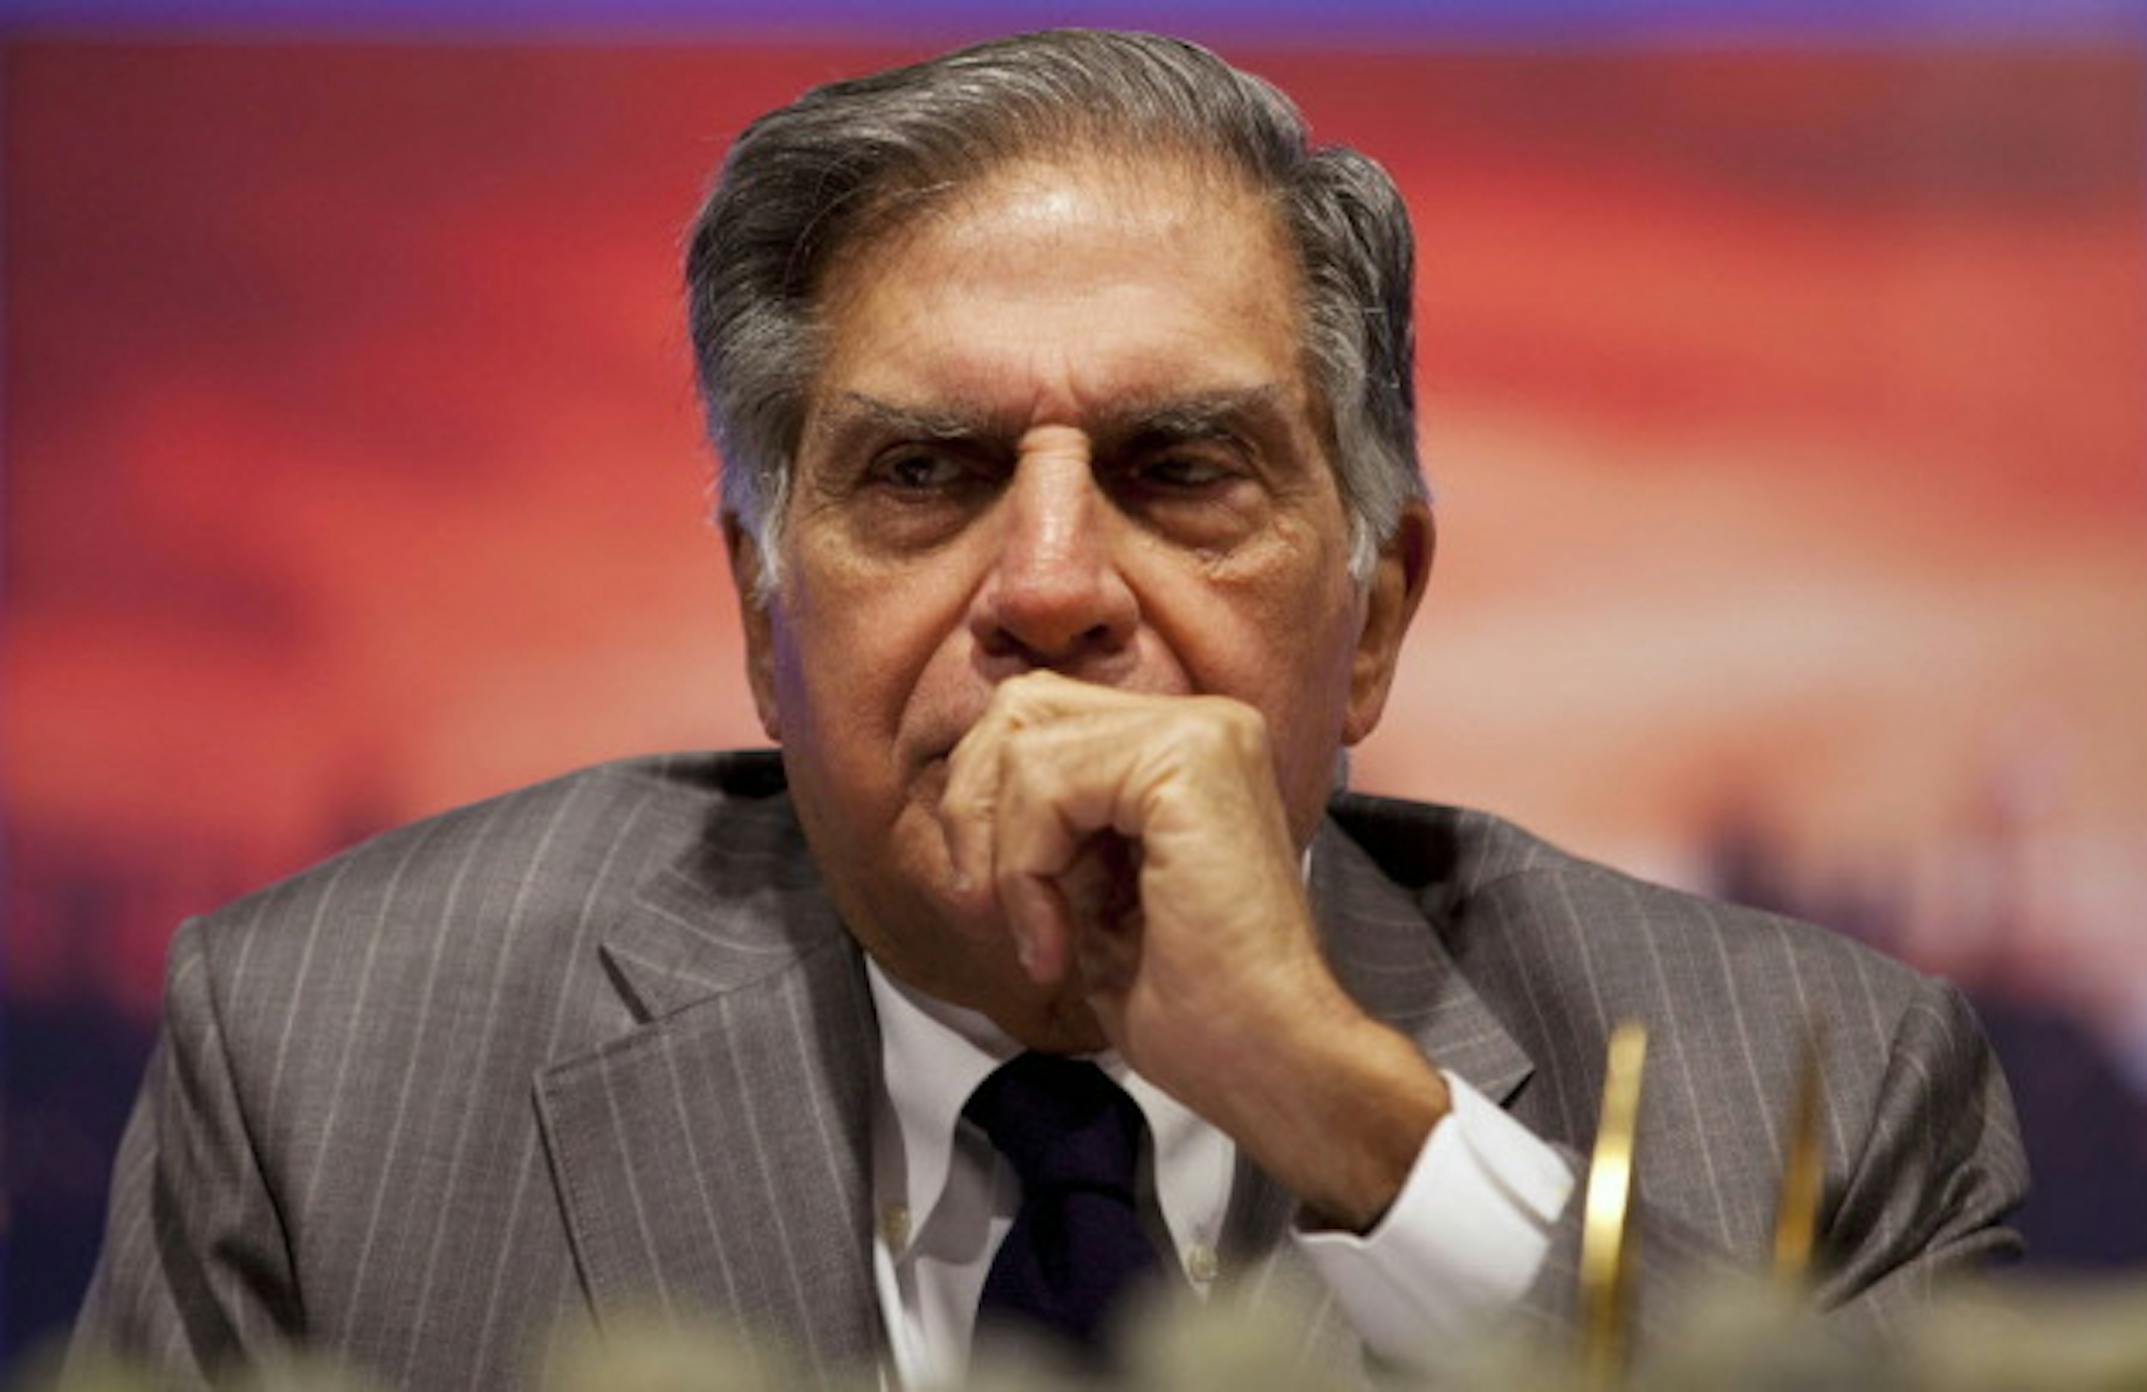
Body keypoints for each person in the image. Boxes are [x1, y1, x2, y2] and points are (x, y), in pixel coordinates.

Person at [71, 29, 2026, 1390]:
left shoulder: (1825, 1091)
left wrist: (1344, 1112)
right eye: (925, 476)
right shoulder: (324, 1059)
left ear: (1373, 620)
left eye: (1182, 470)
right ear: (763, 618)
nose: (1053, 585)